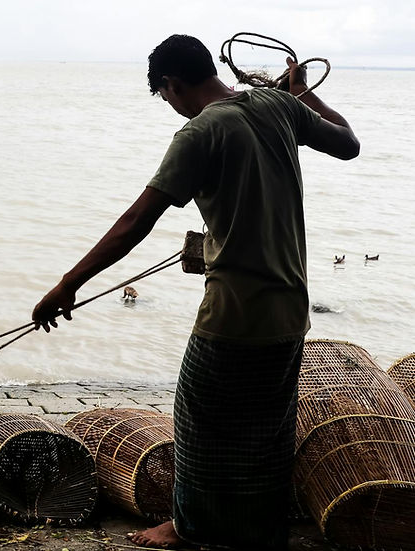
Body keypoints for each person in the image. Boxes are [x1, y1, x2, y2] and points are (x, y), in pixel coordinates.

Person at [31, 35, 358, 550]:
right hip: (291, 310)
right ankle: (258, 528)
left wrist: (68, 284)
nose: (170, 106)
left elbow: (135, 220)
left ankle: (191, 528)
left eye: (165, 96)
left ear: (172, 84)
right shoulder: (277, 106)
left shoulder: (199, 132)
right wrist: (301, 94)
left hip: (235, 313)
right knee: (267, 429)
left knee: (197, 418)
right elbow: (347, 141)